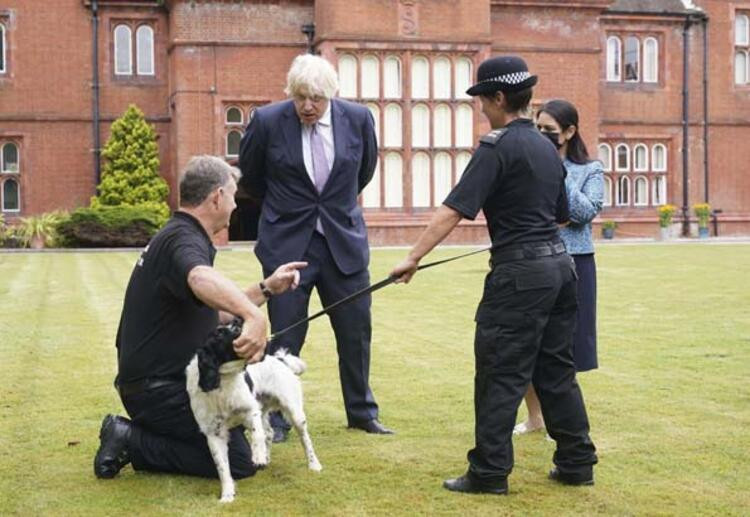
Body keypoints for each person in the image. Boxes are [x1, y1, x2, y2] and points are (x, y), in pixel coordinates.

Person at [390, 56, 597, 495]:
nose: (480, 107)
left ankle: (488, 472)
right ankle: (577, 463)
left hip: (520, 275)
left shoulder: (496, 146)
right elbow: (561, 215)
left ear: (499, 97)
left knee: (500, 371)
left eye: (482, 98)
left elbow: (453, 210)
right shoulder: (546, 146)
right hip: (560, 268)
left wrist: (412, 258)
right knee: (556, 370)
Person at [93, 155, 306, 480]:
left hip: (158, 384)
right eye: (233, 195)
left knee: (234, 428)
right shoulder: (183, 239)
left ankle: (142, 435)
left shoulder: (179, 234)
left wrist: (266, 288)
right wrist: (253, 317)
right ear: (217, 196)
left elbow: (212, 311)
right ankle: (130, 439)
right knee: (238, 461)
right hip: (158, 391)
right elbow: (199, 279)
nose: (236, 205)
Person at [239, 54, 392, 441]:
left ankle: (361, 412)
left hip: (343, 243)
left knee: (355, 333)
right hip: (288, 245)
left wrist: (334, 209)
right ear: (290, 93)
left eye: (317, 99)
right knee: (287, 333)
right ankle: (275, 418)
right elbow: (252, 178)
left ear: (332, 96)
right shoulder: (269, 121)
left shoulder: (357, 119)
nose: (308, 106)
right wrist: (285, 213)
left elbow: (364, 171)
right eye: (301, 97)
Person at [513, 100, 605, 436]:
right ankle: (535, 417)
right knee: (526, 344)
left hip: (575, 264)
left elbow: (583, 214)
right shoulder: (530, 164)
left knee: (562, 348)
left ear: (569, 132)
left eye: (549, 131)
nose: (542, 136)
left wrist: (558, 170)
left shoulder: (590, 170)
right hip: (533, 259)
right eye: (538, 129)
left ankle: (560, 419)